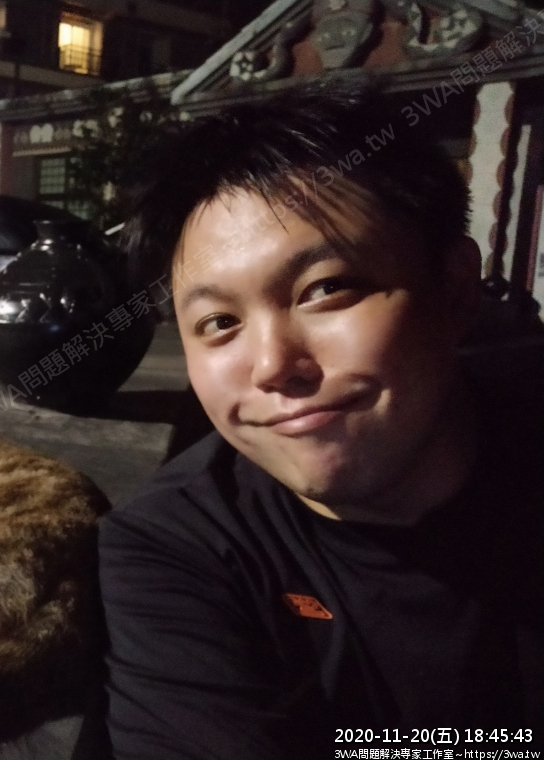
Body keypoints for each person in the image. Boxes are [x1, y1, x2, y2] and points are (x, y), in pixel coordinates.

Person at [100, 83, 543, 759]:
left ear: (454, 290)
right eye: (219, 323)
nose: (274, 365)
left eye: (326, 289)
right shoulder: (178, 552)